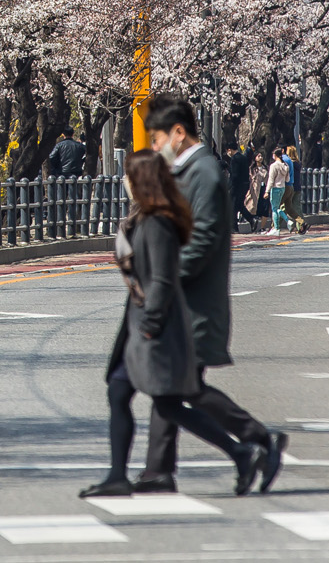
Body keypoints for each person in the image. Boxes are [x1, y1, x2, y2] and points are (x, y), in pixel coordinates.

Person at [81, 150, 264, 498]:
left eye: (129, 176)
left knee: (165, 403)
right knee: (122, 393)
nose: (124, 184)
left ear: (142, 180)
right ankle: (118, 475)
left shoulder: (159, 223)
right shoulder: (142, 218)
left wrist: (150, 324)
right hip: (140, 325)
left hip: (157, 328)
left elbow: (164, 280)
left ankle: (242, 452)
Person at [141, 98, 286, 494]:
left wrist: (163, 279)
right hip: (184, 303)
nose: (155, 148)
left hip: (194, 305)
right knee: (171, 388)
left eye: (157, 139)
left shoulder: (203, 172)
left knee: (177, 390)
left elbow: (202, 239)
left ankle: (255, 442)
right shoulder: (189, 171)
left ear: (178, 133)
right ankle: (161, 469)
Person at [227, 145, 256, 231]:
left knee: (233, 206)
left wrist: (229, 186)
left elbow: (234, 175)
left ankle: (234, 228)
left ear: (230, 149)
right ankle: (251, 219)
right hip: (245, 184)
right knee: (239, 205)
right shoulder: (243, 157)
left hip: (236, 186)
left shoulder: (234, 159)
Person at [281, 145, 309, 235]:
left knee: (282, 207)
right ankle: (301, 225)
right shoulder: (297, 163)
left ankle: (276, 226)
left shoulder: (289, 163)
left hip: (290, 187)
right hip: (297, 187)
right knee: (296, 207)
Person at [264, 149, 291, 234]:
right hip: (282, 187)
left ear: (275, 155)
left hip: (275, 188)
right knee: (277, 207)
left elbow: (271, 180)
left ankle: (276, 228)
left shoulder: (274, 166)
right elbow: (287, 179)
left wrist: (267, 191)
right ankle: (287, 221)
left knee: (274, 209)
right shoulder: (285, 165)